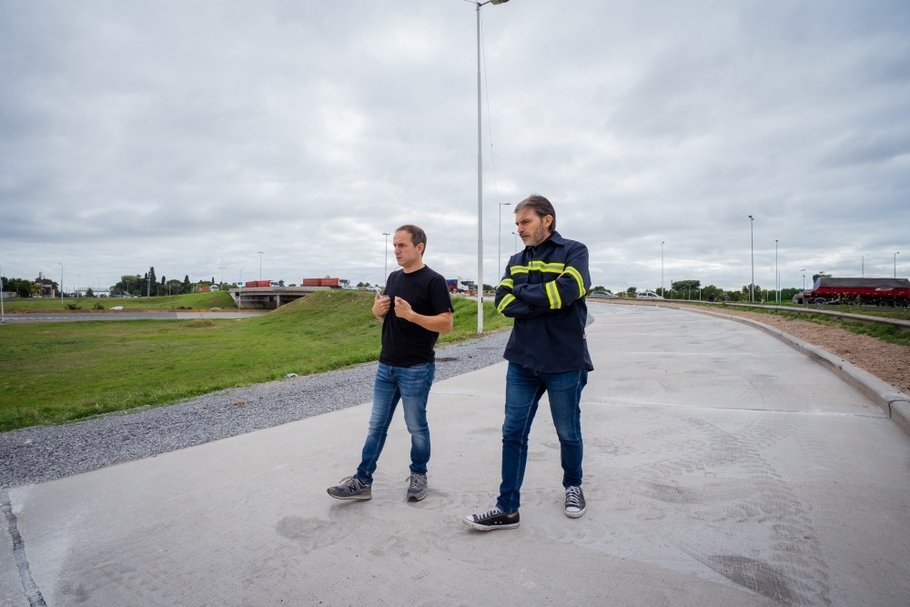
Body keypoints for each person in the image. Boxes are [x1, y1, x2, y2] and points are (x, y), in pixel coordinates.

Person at [464, 194, 593, 530]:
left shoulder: (574, 251)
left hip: (564, 361)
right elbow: (502, 302)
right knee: (512, 433)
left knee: (568, 432)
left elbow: (567, 292)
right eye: (517, 224)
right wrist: (543, 300)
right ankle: (507, 508)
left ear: (546, 220)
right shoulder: (516, 260)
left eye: (525, 222)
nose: (519, 229)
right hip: (522, 361)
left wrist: (523, 293)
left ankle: (573, 486)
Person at [327, 225, 453, 502]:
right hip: (386, 366)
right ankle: (362, 480)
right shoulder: (394, 277)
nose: (396, 250)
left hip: (417, 368)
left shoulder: (434, 281)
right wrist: (376, 312)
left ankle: (419, 475)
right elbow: (390, 318)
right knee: (376, 426)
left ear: (419, 247)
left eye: (401, 245)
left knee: (416, 426)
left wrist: (413, 315)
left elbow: (446, 324)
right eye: (394, 245)